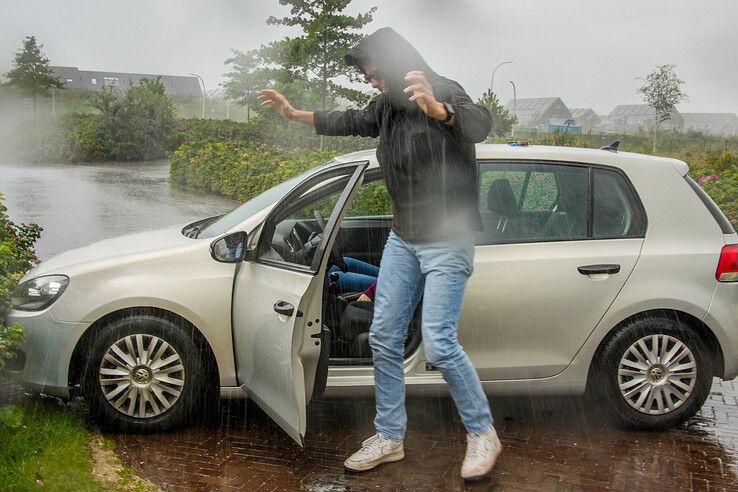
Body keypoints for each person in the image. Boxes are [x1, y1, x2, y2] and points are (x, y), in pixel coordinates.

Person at [258, 27, 500, 481]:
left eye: (374, 74)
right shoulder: (386, 107)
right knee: (384, 337)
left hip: (448, 240)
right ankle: (390, 436)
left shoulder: (442, 89)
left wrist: (441, 111)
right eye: (368, 77)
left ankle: (483, 432)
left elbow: (481, 123)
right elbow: (345, 119)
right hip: (405, 239)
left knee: (441, 342)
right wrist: (293, 114)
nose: (372, 83)